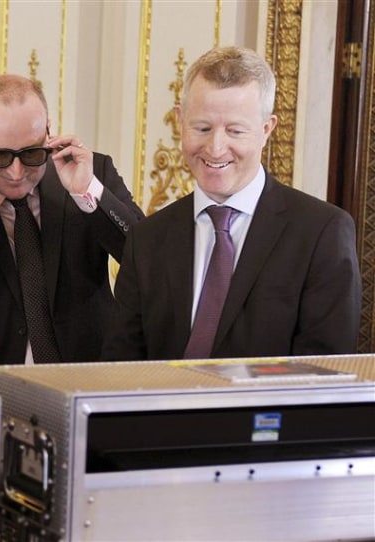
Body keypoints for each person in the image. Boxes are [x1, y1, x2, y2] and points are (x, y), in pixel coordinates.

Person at [103, 46, 361, 361]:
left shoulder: (322, 233)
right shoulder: (147, 239)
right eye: (202, 128)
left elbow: (323, 377)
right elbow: (119, 370)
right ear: (180, 121)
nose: (215, 148)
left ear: (266, 130)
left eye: (235, 131)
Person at [0, 74, 144, 388]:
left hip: (89, 379)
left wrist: (87, 193)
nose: (16, 172)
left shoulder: (92, 171)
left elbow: (145, 263)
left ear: (48, 130)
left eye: (31, 154)